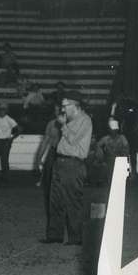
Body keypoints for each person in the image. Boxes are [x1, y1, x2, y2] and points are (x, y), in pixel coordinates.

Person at [41, 90, 92, 245]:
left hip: (73, 164)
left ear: (74, 105)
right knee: (55, 200)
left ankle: (75, 238)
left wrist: (63, 125)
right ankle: (54, 236)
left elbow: (73, 140)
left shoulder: (85, 120)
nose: (62, 109)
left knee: (73, 201)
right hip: (61, 162)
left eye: (65, 106)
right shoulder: (70, 119)